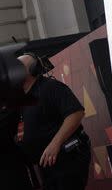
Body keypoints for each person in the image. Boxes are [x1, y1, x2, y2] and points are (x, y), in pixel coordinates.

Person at [16, 53, 90, 190]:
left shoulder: (51, 87)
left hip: (66, 162)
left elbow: (76, 113)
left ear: (32, 71)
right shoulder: (22, 99)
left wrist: (54, 144)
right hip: (47, 168)